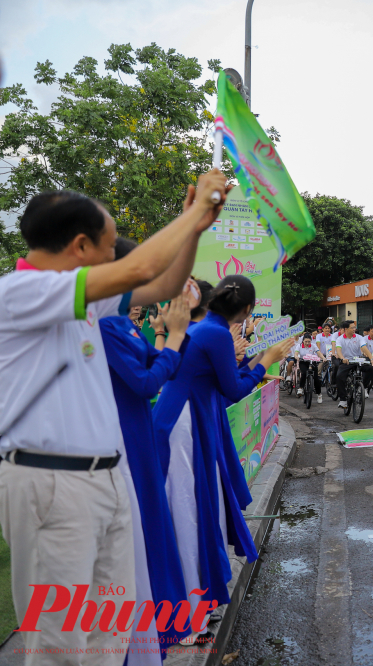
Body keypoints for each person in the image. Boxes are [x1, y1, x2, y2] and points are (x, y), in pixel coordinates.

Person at [0, 171, 229, 663]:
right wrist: (193, 211)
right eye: (108, 246)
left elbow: (165, 282)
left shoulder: (89, 303)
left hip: (107, 479)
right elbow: (139, 266)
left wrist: (196, 229)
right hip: (52, 484)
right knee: (60, 645)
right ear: (80, 246)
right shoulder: (20, 293)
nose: (115, 256)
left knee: (112, 637)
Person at [154, 275, 292, 643]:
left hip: (187, 421)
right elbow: (234, 389)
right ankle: (186, 620)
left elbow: (224, 381)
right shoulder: (214, 333)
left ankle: (200, 603)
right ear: (247, 311)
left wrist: (254, 359)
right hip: (184, 428)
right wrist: (268, 359)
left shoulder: (209, 329)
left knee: (202, 513)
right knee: (190, 517)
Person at [100, 239, 196, 660]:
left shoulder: (119, 323)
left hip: (136, 429)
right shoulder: (105, 324)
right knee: (137, 537)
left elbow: (152, 369)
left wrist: (164, 338)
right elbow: (145, 381)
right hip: (124, 435)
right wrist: (172, 336)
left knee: (151, 528)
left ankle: (162, 625)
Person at [336, 320, 373, 406]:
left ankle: (363, 388)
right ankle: (343, 400)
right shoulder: (340, 339)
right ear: (346, 329)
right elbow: (338, 350)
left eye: (355, 327)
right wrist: (342, 358)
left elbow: (364, 348)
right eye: (352, 327)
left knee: (371, 369)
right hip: (347, 361)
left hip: (358, 360)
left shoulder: (359, 337)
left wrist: (371, 358)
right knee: (339, 376)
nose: (354, 329)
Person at [295, 333, 324, 403]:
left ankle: (319, 394)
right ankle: (301, 388)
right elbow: (296, 353)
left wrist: (323, 358)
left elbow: (318, 352)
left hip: (312, 362)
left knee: (316, 378)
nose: (307, 343)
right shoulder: (299, 346)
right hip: (303, 362)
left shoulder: (313, 346)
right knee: (304, 373)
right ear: (303, 341)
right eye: (306, 342)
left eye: (309, 341)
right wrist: (297, 357)